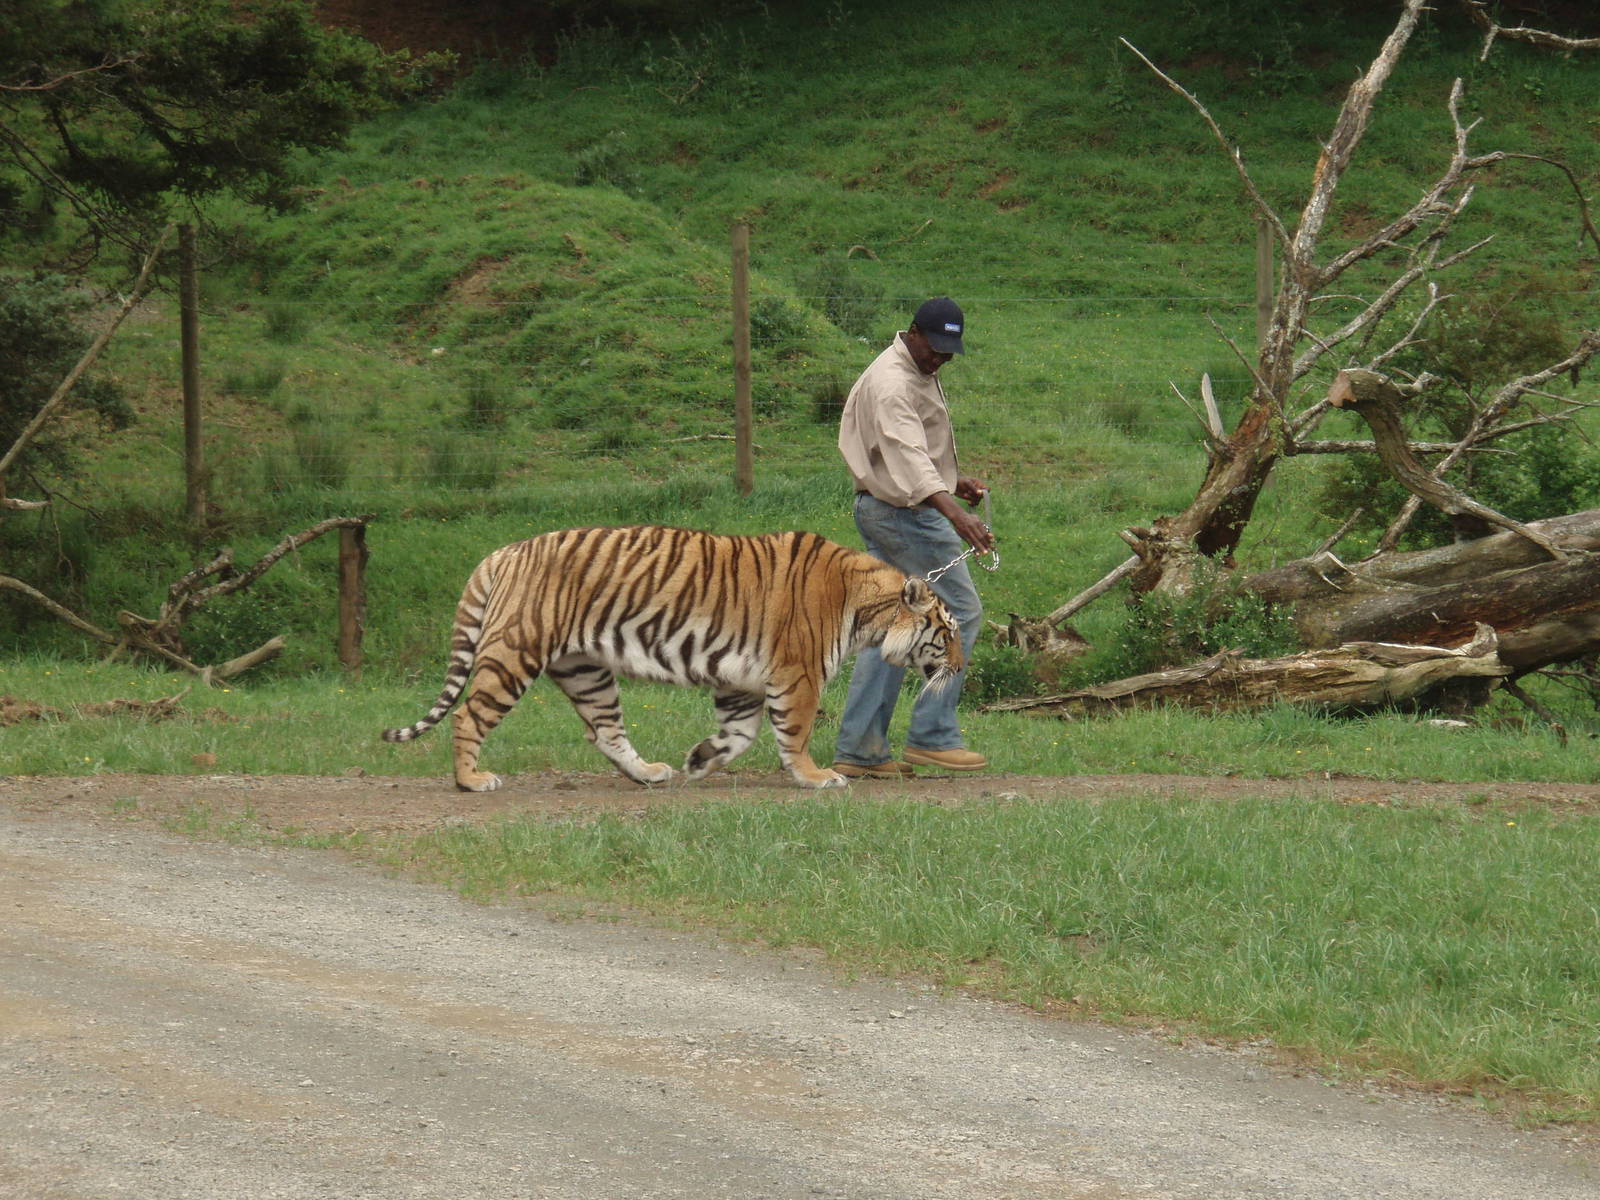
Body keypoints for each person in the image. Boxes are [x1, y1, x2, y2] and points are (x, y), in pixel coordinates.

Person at [832, 296, 992, 779]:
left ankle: (860, 750)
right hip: (904, 515)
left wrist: (950, 481)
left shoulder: (913, 368)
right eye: (934, 347)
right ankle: (933, 736)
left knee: (893, 626)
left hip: (884, 508)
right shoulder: (892, 384)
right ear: (912, 333)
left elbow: (910, 456)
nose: (940, 358)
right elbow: (905, 456)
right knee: (960, 612)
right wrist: (956, 516)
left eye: (949, 350)